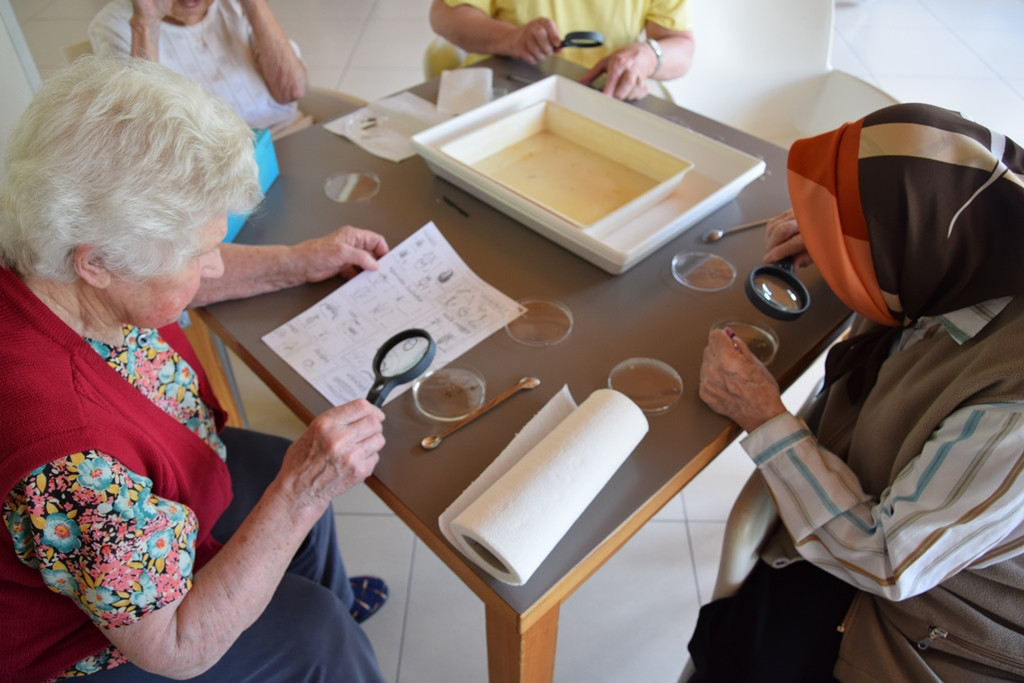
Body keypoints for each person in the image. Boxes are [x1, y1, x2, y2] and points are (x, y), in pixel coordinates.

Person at [0, 55, 392, 682]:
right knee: (317, 630)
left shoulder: (44, 249)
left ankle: (327, 613)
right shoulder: (66, 463)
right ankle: (327, 643)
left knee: (287, 489)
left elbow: (158, 273)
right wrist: (299, 492)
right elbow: (178, 646)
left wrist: (298, 260)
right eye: (197, 253)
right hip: (87, 644)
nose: (213, 266)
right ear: (96, 261)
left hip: (169, 475)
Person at [690, 103, 1024, 681]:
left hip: (928, 619)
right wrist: (834, 227)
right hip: (895, 531)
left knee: (738, 650)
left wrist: (763, 415)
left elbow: (888, 559)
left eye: (863, 245)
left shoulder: (1011, 411)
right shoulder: (982, 239)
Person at [89, 0, 309, 137]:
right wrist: (146, 23)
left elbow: (292, 89)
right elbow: (142, 126)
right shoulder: (117, 23)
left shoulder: (232, 4)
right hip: (209, 171)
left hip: (289, 135)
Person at [428, 0, 694, 101]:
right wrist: (510, 38)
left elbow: (681, 46)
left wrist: (649, 56)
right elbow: (444, 14)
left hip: (604, 101)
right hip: (504, 94)